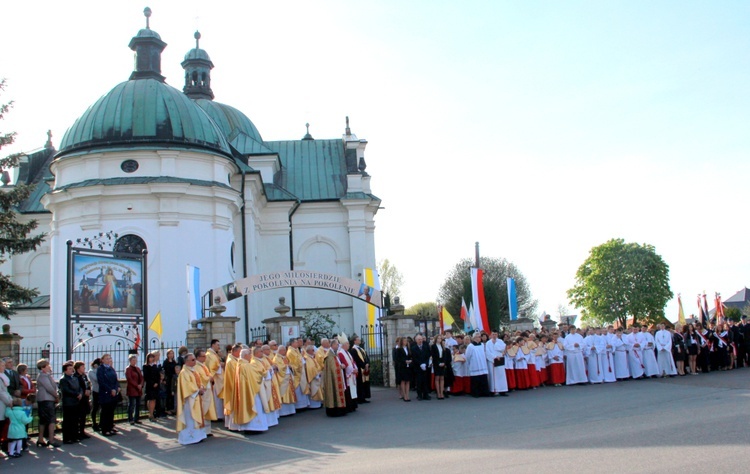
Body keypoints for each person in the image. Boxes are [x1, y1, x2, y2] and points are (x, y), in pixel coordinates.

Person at [234, 347, 267, 433]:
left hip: (245, 390)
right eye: (249, 354)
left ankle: (247, 427)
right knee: (255, 406)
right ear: (245, 356)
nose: (251, 356)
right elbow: (256, 376)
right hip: (250, 390)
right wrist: (265, 373)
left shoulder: (239, 365)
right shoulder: (246, 366)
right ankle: (254, 427)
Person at [176, 354, 207, 445]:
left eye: (194, 359)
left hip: (196, 398)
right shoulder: (184, 372)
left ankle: (198, 436)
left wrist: (201, 387)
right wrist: (197, 390)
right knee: (190, 418)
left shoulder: (193, 371)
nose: (195, 361)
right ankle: (189, 438)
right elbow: (187, 386)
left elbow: (198, 381)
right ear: (187, 361)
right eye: (193, 360)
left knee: (196, 417)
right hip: (189, 400)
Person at [35, 359, 60, 447]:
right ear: (43, 368)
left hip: (47, 399)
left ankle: (41, 438)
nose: (49, 367)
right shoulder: (43, 376)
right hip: (46, 399)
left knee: (45, 420)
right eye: (47, 365)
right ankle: (50, 439)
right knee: (50, 419)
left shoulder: (47, 375)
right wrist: (56, 395)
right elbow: (49, 388)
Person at [195, 349, 218, 434]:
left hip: (208, 389)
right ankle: (201, 430)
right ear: (198, 357)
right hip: (203, 391)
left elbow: (208, 374)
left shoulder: (203, 365)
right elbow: (200, 378)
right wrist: (209, 378)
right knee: (203, 409)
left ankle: (207, 431)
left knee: (208, 409)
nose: (205, 358)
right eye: (203, 356)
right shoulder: (196, 367)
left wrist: (210, 377)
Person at [97, 353, 121, 436]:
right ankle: (105, 429)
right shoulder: (101, 369)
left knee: (111, 411)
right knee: (105, 412)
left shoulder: (111, 368)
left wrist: (116, 387)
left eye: (109, 358)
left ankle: (110, 427)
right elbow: (102, 382)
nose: (108, 360)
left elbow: (115, 380)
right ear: (102, 360)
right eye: (106, 358)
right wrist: (110, 390)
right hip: (106, 393)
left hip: (113, 393)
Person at [322, 338, 347, 417]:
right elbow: (333, 368)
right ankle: (333, 410)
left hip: (336, 376)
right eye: (337, 344)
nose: (338, 346)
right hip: (332, 377)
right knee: (333, 391)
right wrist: (340, 366)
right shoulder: (329, 355)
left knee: (336, 391)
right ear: (332, 345)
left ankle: (339, 409)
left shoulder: (333, 353)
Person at [60, 361, 83, 444]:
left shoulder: (74, 378)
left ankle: (75, 436)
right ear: (65, 370)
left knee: (75, 420)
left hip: (76, 402)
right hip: (68, 402)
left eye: (72, 369)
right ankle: (67, 438)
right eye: (69, 369)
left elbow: (80, 387)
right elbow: (66, 390)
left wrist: (80, 393)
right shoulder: (63, 379)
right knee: (68, 421)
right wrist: (76, 394)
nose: (71, 370)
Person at [273, 345, 297, 417]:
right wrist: (287, 366)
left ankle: (290, 410)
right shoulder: (276, 358)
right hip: (283, 379)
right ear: (280, 351)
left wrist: (290, 366)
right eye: (283, 350)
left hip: (288, 377)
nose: (285, 351)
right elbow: (279, 367)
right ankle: (284, 412)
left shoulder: (285, 357)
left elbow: (288, 364)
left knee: (290, 393)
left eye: (285, 350)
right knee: (284, 394)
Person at [223, 343, 242, 430]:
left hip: (235, 384)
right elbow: (235, 374)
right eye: (240, 351)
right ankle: (233, 425)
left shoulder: (235, 359)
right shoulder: (231, 361)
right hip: (233, 386)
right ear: (234, 351)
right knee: (233, 405)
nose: (240, 353)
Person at [464, 331, 490, 397]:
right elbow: (467, 356)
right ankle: (476, 393)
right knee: (475, 380)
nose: (480, 338)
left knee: (483, 378)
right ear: (474, 338)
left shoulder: (482, 345)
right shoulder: (470, 346)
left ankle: (484, 392)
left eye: (480, 337)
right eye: (478, 337)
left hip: (482, 364)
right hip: (474, 364)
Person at [485, 331, 508, 396]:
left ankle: (502, 390)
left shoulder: (500, 341)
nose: (494, 335)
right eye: (493, 334)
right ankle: (493, 390)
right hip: (492, 360)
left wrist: (502, 353)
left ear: (497, 335)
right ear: (491, 335)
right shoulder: (488, 343)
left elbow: (503, 348)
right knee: (493, 376)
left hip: (500, 360)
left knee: (501, 375)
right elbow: (487, 352)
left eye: (495, 334)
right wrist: (494, 357)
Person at [350, 335, 371, 404]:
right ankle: (360, 398)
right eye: (358, 339)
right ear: (354, 341)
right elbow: (356, 360)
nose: (359, 340)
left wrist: (367, 363)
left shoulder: (361, 349)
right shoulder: (353, 350)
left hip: (365, 368)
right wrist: (363, 365)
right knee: (360, 383)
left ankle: (364, 397)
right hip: (359, 369)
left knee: (365, 383)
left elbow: (366, 357)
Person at [205, 340, 224, 419]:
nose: (218, 346)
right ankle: (216, 415)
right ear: (213, 345)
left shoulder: (213, 354)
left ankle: (218, 415)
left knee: (217, 399)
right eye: (217, 345)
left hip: (218, 378)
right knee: (215, 398)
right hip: (214, 379)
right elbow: (212, 367)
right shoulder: (210, 354)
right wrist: (219, 365)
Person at [73, 361, 92, 440]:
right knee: (78, 416)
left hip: (85, 398)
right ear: (78, 368)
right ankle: (77, 432)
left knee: (83, 416)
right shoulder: (75, 376)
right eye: (82, 367)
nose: (84, 368)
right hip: (79, 399)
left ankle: (82, 431)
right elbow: (77, 387)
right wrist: (83, 392)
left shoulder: (84, 376)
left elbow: (87, 384)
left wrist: (88, 390)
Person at [125, 354, 144, 425]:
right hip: (132, 389)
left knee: (138, 404)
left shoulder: (138, 368)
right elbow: (129, 379)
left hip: (138, 389)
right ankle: (130, 418)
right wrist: (136, 385)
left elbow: (141, 377)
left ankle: (137, 418)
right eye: (133, 360)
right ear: (130, 361)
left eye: (135, 360)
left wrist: (141, 384)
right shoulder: (128, 369)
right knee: (132, 404)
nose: (134, 361)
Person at [411, 335, 431, 401]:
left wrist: (425, 364)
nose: (420, 340)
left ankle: (426, 394)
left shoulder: (425, 347)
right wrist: (420, 364)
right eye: (419, 339)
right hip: (418, 367)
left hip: (425, 366)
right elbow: (414, 358)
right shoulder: (414, 348)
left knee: (425, 380)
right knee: (419, 381)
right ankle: (419, 395)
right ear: (416, 340)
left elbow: (428, 356)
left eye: (421, 339)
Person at [431, 334, 450, 399]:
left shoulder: (442, 346)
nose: (439, 340)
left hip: (442, 363)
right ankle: (438, 393)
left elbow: (444, 355)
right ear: (436, 339)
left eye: (440, 338)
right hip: (437, 363)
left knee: (442, 378)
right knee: (437, 378)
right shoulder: (433, 346)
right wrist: (438, 363)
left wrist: (444, 362)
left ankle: (442, 393)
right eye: (438, 338)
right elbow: (434, 356)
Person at [143, 352, 161, 421]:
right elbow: (146, 376)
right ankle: (151, 414)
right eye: (150, 357)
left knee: (154, 399)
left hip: (156, 385)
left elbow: (157, 375)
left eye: (153, 357)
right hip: (150, 385)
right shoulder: (145, 366)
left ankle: (152, 413)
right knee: (150, 399)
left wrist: (157, 382)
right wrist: (152, 383)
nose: (152, 359)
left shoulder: (154, 366)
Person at [394, 337, 412, 401]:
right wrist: (405, 361)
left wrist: (410, 360)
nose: (405, 342)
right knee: (403, 381)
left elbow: (410, 356)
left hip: (408, 366)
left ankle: (407, 394)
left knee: (408, 381)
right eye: (404, 341)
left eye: (406, 341)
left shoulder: (408, 348)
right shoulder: (399, 349)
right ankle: (404, 395)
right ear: (401, 342)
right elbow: (398, 359)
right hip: (402, 367)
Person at [162, 350, 178, 415]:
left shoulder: (174, 362)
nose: (171, 355)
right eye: (170, 354)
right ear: (167, 355)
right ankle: (168, 409)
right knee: (168, 393)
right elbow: (164, 371)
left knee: (173, 394)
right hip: (168, 379)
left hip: (174, 379)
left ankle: (173, 409)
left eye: (172, 353)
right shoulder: (165, 362)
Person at [88, 359, 102, 431]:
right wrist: (97, 369)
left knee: (101, 407)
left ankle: (101, 423)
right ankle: (94, 423)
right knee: (95, 407)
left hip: (101, 391)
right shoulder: (91, 371)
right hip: (95, 391)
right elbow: (97, 379)